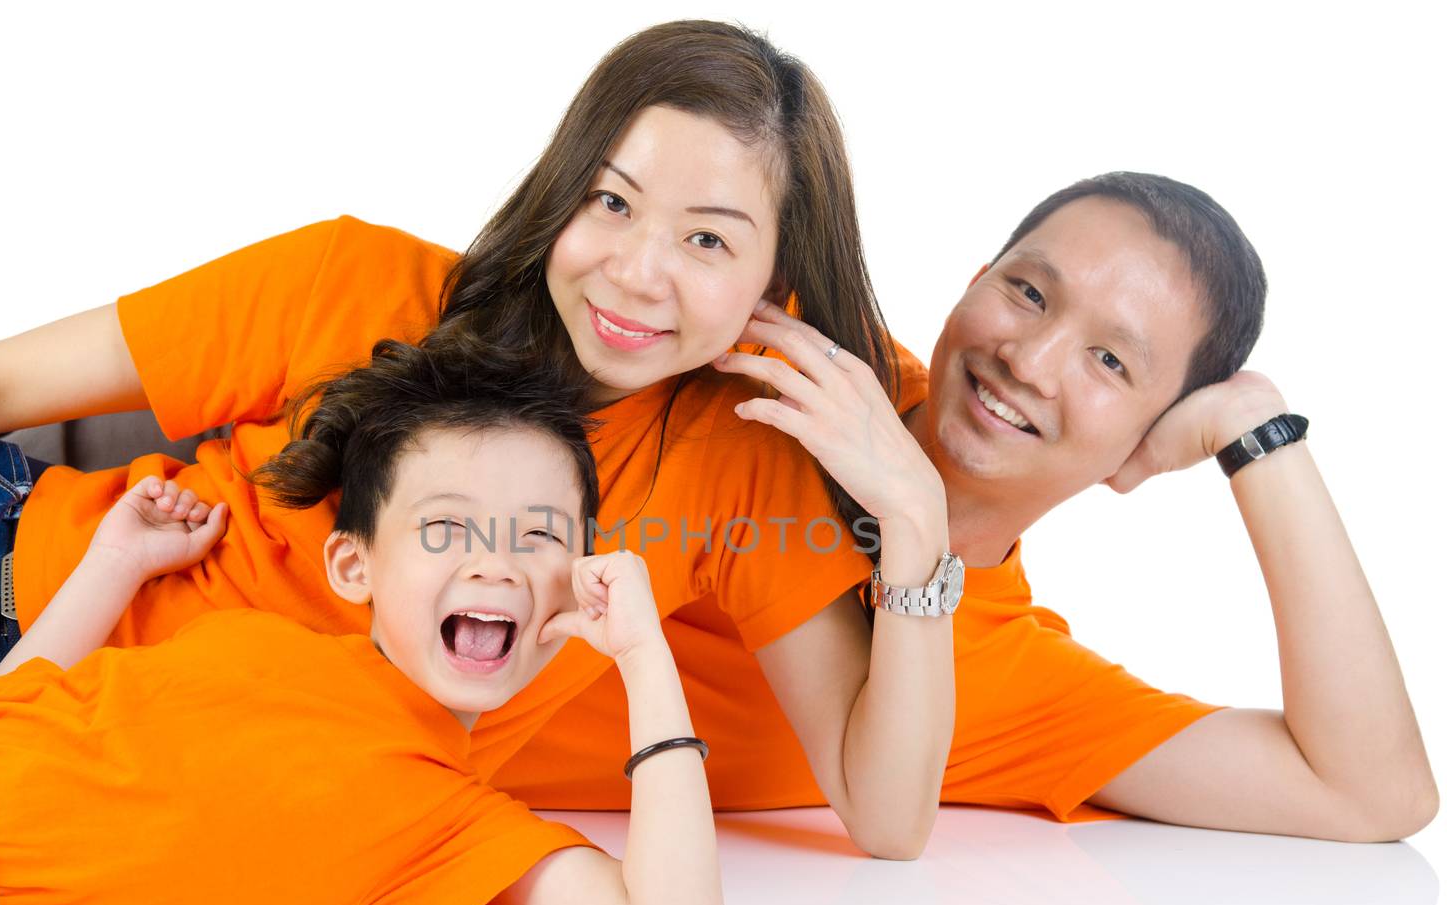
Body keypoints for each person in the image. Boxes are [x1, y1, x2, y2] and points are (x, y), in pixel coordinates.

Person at [0, 21, 950, 859]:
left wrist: (914, 522)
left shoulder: (731, 466)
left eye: (708, 239)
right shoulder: (360, 279)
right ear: (561, 190)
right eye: (611, 204)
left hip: (66, 752)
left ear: (778, 282)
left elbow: (888, 819)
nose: (636, 269)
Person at [494, 172, 1439, 844]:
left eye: (1111, 362)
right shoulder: (764, 346)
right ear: (971, 283)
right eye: (1027, 292)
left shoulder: (1006, 677)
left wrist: (1260, 436)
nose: (1028, 361)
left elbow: (1372, 796)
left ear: (1143, 446)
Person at [0, 343, 723, 905]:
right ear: (353, 568)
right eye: (447, 529)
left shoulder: (443, 823)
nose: (495, 565)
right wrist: (112, 565)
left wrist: (644, 658)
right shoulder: (260, 641)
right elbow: (7, 708)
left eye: (537, 536)